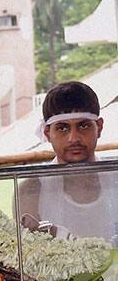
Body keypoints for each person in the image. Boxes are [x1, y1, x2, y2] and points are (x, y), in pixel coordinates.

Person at [17, 81, 116, 243]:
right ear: (47, 133)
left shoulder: (116, 180)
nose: (74, 138)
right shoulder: (32, 190)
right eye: (62, 128)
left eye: (83, 126)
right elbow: (30, 259)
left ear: (99, 127)